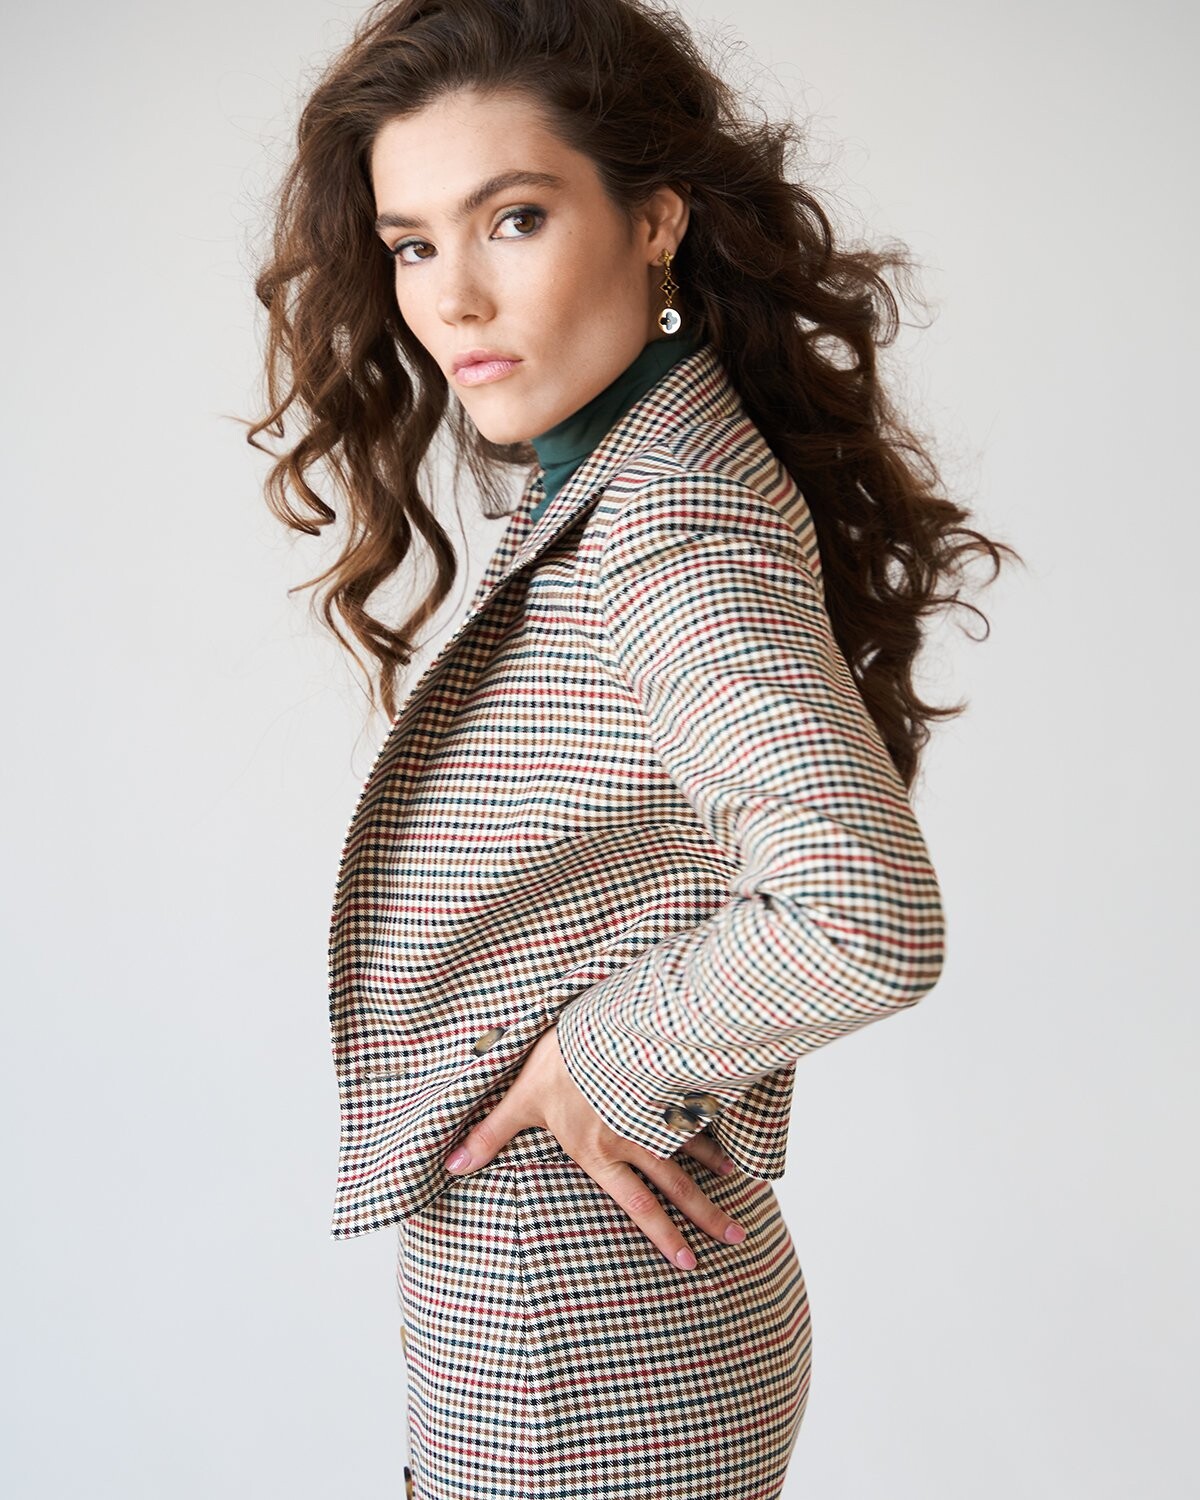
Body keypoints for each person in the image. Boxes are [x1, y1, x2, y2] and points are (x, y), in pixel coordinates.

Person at [246, 1, 1016, 1495]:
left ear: (655, 219)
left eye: (514, 220)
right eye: (412, 245)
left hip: (584, 1351)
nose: (456, 299)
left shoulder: (671, 515)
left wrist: (599, 1058)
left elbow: (863, 915)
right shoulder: (626, 467)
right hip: (589, 1320)